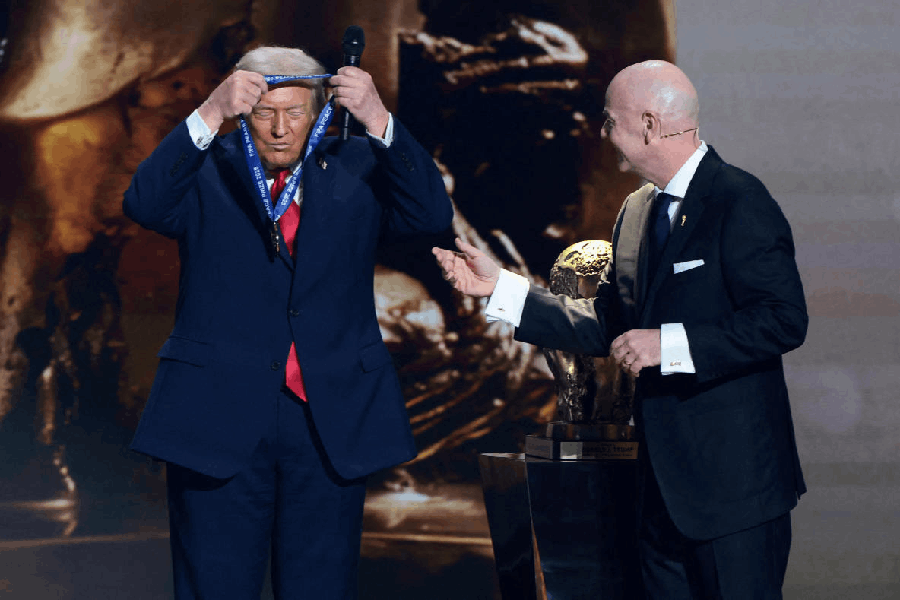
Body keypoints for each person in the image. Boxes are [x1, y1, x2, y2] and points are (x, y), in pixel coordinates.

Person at [433, 60, 807, 599]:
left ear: (650, 125)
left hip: (735, 497)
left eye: (610, 121)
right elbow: (605, 322)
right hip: (656, 495)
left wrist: (669, 344)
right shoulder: (635, 213)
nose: (603, 133)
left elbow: (782, 320)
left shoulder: (739, 200)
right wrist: (500, 289)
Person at [124, 46, 452, 599]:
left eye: (295, 112)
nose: (279, 129)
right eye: (263, 112)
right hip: (217, 415)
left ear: (320, 111)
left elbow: (429, 214)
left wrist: (377, 117)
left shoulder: (358, 165)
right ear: (242, 109)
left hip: (328, 419)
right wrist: (210, 110)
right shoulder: (207, 165)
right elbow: (144, 203)